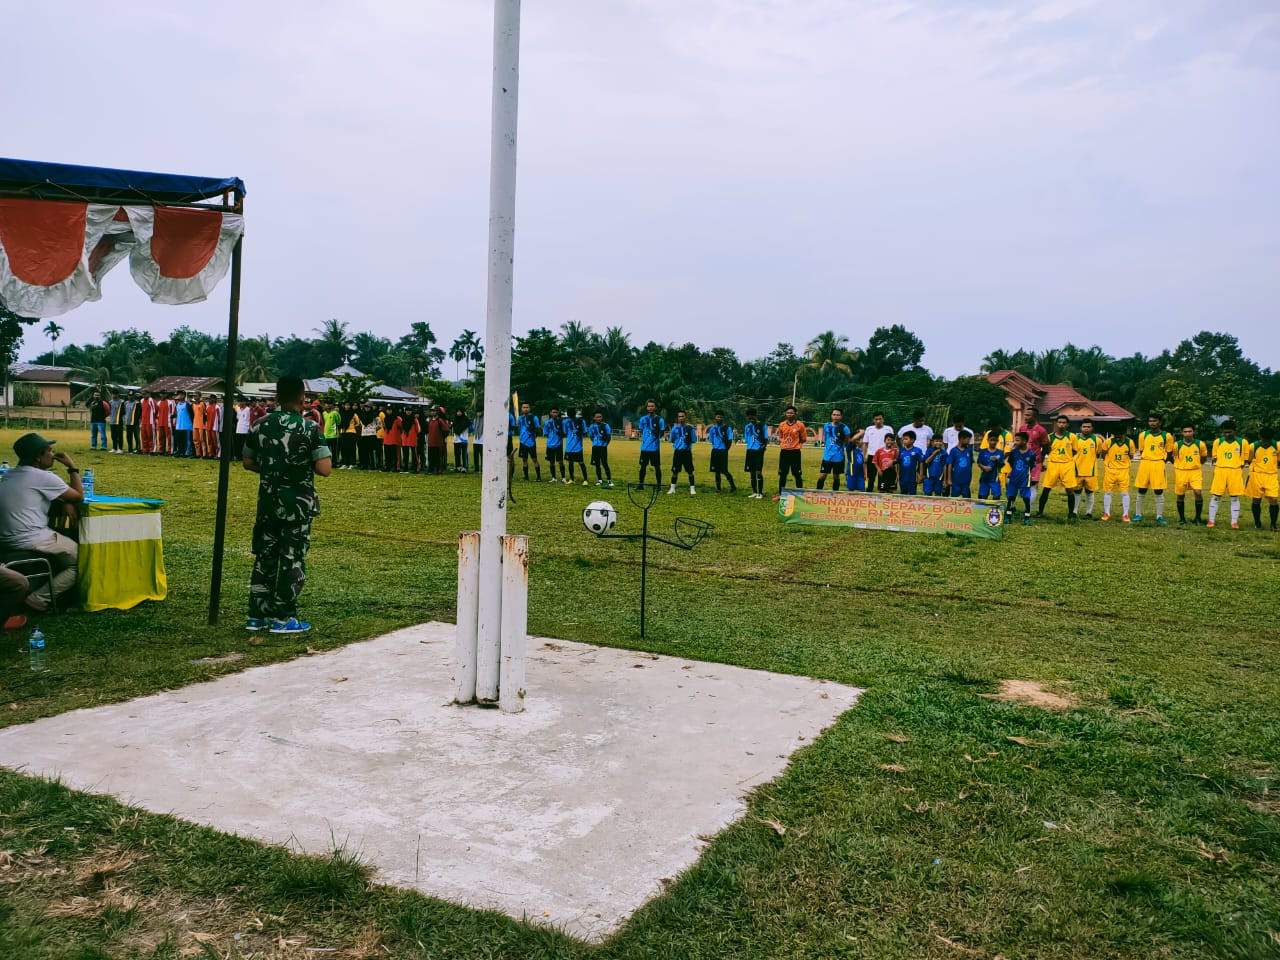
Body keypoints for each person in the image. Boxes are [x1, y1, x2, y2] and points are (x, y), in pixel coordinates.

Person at [242, 376, 331, 634]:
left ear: (276, 397)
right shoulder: (310, 428)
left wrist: (272, 471)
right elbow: (324, 469)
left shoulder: (260, 425)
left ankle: (256, 617)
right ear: (302, 400)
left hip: (268, 503)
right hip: (298, 505)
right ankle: (284, 618)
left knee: (265, 556)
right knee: (292, 559)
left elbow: (247, 461)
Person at [0, 433, 84, 605]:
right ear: (38, 457)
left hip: (7, 539)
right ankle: (38, 599)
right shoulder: (43, 477)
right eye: (49, 451)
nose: (53, 455)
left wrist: (65, 501)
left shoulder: (9, 474)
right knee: (83, 560)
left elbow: (32, 496)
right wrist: (72, 467)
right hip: (30, 538)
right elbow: (79, 496)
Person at [1206, 420, 1251, 529]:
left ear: (1235, 431)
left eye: (1229, 432)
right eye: (1225, 432)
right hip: (1220, 470)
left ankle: (1234, 522)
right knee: (1216, 496)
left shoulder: (1243, 442)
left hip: (1235, 471)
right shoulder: (1218, 442)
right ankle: (1211, 521)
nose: (1227, 434)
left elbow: (1245, 459)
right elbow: (1215, 457)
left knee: (1234, 497)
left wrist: (1235, 466)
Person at [1036, 416, 1081, 520]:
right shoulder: (1049, 437)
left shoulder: (1072, 437)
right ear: (1056, 423)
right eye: (1059, 422)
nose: (1061, 425)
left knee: (1070, 489)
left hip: (1067, 464)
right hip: (1053, 464)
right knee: (1046, 488)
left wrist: (1065, 457)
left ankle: (1071, 514)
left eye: (1064, 423)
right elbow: (1045, 451)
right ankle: (1040, 512)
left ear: (1067, 424)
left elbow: (1074, 451)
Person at [1134, 413, 1173, 525]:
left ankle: (1159, 516)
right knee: (1141, 489)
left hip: (1158, 464)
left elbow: (1169, 452)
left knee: (1158, 490)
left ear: (1160, 422)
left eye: (1155, 421)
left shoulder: (1167, 436)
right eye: (1150, 421)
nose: (1152, 423)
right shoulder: (1143, 435)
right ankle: (1138, 514)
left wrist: (1160, 461)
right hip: (1145, 463)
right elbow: (1142, 450)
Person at [1172, 425, 1208, 525]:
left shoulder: (1200, 444)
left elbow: (1204, 458)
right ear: (1182, 432)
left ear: (1194, 432)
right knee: (1180, 495)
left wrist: (1196, 464)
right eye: (1185, 431)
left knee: (1197, 492)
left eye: (1190, 431)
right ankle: (1182, 519)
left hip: (1195, 471)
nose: (1187, 433)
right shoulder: (1177, 445)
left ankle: (1197, 518)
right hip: (1181, 471)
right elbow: (1174, 457)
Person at [1099, 423, 1136, 522]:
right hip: (1110, 470)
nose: (1118, 438)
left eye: (1120, 436)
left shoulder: (1130, 442)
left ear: (1124, 434)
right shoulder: (1108, 442)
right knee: (1108, 492)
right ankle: (1107, 513)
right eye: (1116, 436)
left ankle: (1125, 514)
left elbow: (1131, 456)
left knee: (1124, 493)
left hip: (1124, 470)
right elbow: (1103, 454)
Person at [1246, 427, 1278, 531]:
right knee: (1256, 499)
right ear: (1260, 436)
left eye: (1268, 440)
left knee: (1273, 499)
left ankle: (1273, 525)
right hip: (1257, 475)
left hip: (1271, 475)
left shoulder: (1277, 446)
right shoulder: (1253, 446)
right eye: (1264, 439)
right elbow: (1249, 460)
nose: (1266, 442)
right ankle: (1257, 523)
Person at [774, 405, 806, 499]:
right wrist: (785, 444)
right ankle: (780, 494)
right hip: (784, 452)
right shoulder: (782, 425)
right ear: (785, 414)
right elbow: (780, 436)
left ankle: (800, 494)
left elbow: (803, 438)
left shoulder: (800, 425)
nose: (789, 414)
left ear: (795, 414)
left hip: (795, 452)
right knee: (783, 474)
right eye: (788, 412)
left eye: (791, 413)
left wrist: (796, 445)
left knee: (797, 473)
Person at [1005, 432, 1037, 525]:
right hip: (1014, 478)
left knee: (1026, 498)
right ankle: (1008, 516)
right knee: (1011, 497)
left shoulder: (1031, 454)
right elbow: (1011, 462)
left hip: (1025, 479)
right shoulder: (1014, 452)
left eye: (1017, 440)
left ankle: (1027, 517)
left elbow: (1032, 465)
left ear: (1024, 441)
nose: (1015, 442)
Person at [1073, 419, 1102, 519]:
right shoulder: (1074, 438)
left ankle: (1088, 512)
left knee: (1090, 492)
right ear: (1080, 428)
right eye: (1084, 427)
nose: (1086, 429)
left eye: (1088, 427)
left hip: (1091, 471)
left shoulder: (1097, 440)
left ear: (1092, 428)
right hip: (1077, 470)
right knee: (1076, 491)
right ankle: (1074, 511)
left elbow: (1097, 454)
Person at [815, 408, 850, 491]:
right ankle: (817, 493)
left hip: (838, 457)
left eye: (838, 415)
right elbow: (826, 438)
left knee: (836, 476)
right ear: (831, 416)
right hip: (827, 456)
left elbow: (847, 441)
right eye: (834, 414)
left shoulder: (844, 428)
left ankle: (835, 495)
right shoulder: (826, 426)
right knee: (823, 475)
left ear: (841, 416)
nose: (836, 416)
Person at [666, 410, 697, 495]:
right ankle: (672, 489)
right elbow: (672, 439)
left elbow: (694, 440)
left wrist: (687, 441)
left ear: (685, 417)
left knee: (690, 471)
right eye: (679, 416)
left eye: (682, 416)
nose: (681, 418)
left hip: (687, 451)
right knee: (675, 471)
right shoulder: (675, 428)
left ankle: (692, 489)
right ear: (677, 418)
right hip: (678, 452)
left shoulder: (690, 428)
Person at [861, 412, 894, 491]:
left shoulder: (888, 429)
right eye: (876, 419)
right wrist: (864, 455)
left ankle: (882, 491)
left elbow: (892, 443)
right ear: (873, 420)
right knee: (870, 476)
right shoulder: (869, 429)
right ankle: (869, 491)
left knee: (883, 476)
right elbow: (865, 443)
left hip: (884, 457)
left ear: (883, 419)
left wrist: (891, 457)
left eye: (880, 419)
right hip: (872, 456)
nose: (878, 421)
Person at [706, 411, 736, 493]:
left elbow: (729, 440)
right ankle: (718, 488)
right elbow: (711, 440)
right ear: (715, 418)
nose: (719, 418)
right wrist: (716, 446)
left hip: (723, 451)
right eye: (718, 417)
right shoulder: (712, 429)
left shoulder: (727, 428)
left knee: (724, 470)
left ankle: (733, 486)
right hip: (715, 451)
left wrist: (726, 449)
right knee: (716, 471)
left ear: (723, 418)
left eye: (721, 417)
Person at [742, 409, 768, 499]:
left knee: (758, 472)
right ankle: (754, 491)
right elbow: (746, 438)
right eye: (749, 418)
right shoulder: (747, 427)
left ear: (755, 416)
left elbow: (765, 438)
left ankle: (760, 493)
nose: (751, 420)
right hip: (750, 450)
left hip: (759, 450)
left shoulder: (762, 425)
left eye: (752, 418)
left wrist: (763, 447)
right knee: (752, 472)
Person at [637, 400, 663, 489]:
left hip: (654, 448)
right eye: (649, 406)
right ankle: (641, 485)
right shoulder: (643, 419)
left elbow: (662, 432)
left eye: (652, 406)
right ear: (646, 408)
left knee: (657, 467)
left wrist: (654, 438)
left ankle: (659, 485)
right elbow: (641, 430)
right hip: (644, 448)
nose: (650, 408)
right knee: (642, 467)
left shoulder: (659, 419)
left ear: (655, 407)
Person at [1022, 409, 1049, 485]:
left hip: (1035, 460)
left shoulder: (1041, 430)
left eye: (1028, 415)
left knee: (1033, 483)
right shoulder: (1022, 428)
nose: (1025, 417)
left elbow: (1045, 446)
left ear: (1035, 417)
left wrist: (1041, 459)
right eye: (1025, 415)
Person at [517, 402, 542, 481]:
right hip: (522, 442)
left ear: (529, 408)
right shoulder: (520, 418)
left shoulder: (534, 417)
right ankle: (526, 476)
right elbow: (520, 429)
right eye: (524, 407)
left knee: (534, 459)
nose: (525, 409)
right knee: (524, 459)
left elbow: (538, 429)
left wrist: (533, 437)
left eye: (527, 407)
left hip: (531, 442)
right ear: (521, 409)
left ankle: (538, 477)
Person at [944, 430, 974, 497]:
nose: (969, 442)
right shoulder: (954, 451)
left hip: (966, 479)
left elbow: (971, 463)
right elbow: (949, 465)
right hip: (956, 479)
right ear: (962, 439)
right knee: (955, 497)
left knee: (966, 497)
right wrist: (949, 479)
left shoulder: (969, 451)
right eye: (968, 439)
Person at [976, 431, 1005, 500]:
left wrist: (997, 460)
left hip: (995, 478)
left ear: (997, 441)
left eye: (995, 440)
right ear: (988, 440)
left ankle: (994, 509)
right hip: (985, 478)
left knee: (996, 495)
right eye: (991, 440)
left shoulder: (1000, 452)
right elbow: (979, 463)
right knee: (983, 496)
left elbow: (1002, 465)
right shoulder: (983, 452)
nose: (993, 442)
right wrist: (984, 467)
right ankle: (983, 509)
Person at [589, 410, 613, 487]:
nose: (599, 418)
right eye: (597, 417)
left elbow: (609, 437)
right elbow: (591, 437)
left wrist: (604, 444)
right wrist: (596, 443)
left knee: (605, 463)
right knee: (597, 464)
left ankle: (609, 480)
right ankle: (599, 480)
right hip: (595, 447)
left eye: (600, 417)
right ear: (594, 418)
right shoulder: (592, 426)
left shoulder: (605, 425)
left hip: (603, 447)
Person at [562, 409, 586, 484]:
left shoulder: (581, 421)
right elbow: (565, 432)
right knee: (570, 462)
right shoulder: (566, 422)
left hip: (578, 446)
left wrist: (579, 433)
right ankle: (572, 479)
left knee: (581, 462)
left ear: (575, 413)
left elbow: (585, 432)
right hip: (569, 446)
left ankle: (585, 480)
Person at [897, 430, 924, 496]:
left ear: (912, 440)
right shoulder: (901, 450)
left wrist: (921, 474)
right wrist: (897, 474)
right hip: (902, 476)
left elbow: (921, 463)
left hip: (912, 476)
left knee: (912, 494)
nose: (904, 441)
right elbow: (898, 463)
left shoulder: (917, 450)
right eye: (903, 439)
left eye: (906, 439)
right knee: (903, 493)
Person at [543, 407, 566, 482]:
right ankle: (553, 478)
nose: (555, 414)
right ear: (550, 413)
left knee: (560, 461)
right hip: (550, 445)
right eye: (553, 412)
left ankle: (563, 478)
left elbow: (564, 433)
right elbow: (546, 434)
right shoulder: (547, 423)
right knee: (551, 462)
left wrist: (559, 433)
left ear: (558, 413)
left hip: (558, 444)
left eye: (556, 412)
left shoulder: (561, 422)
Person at [427, 407, 450, 475]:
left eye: (434, 411)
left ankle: (438, 470)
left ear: (437, 412)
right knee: (431, 457)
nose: (432, 412)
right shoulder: (430, 420)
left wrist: (442, 438)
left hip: (438, 443)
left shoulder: (440, 421)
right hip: (431, 442)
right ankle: (430, 470)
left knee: (438, 457)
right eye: (431, 411)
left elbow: (446, 430)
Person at [340, 403, 361, 470]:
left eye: (349, 405)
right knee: (344, 448)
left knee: (351, 448)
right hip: (343, 432)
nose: (347, 406)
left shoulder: (353, 414)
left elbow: (358, 423)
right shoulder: (341, 413)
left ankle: (352, 463)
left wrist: (352, 427)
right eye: (346, 405)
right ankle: (345, 463)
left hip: (351, 432)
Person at [173, 391, 193, 457]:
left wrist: (190, 423)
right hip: (179, 426)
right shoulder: (177, 404)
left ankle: (186, 453)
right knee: (179, 440)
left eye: (181, 395)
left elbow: (192, 414)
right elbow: (177, 414)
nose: (180, 396)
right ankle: (180, 452)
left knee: (187, 440)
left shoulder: (187, 405)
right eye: (179, 395)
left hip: (186, 426)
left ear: (184, 396)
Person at [382, 406, 402, 472]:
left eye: (390, 410)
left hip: (395, 439)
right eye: (387, 410)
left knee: (395, 455)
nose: (389, 411)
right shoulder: (385, 418)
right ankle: (388, 466)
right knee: (387, 454)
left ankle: (396, 467)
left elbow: (401, 427)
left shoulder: (397, 419)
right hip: (387, 439)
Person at [453, 408, 472, 473]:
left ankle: (465, 467)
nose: (458, 413)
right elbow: (453, 427)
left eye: (460, 411)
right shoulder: (455, 419)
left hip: (464, 439)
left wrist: (467, 432)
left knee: (464, 453)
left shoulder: (466, 419)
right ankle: (458, 467)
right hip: (456, 439)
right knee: (457, 454)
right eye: (457, 411)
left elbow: (471, 428)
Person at [140, 390, 157, 455]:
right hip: (143, 421)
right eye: (143, 394)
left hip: (150, 421)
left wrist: (153, 418)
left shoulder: (151, 400)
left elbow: (155, 410)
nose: (144, 396)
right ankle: (145, 450)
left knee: (151, 436)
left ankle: (152, 450)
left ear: (148, 394)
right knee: (144, 436)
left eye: (145, 394)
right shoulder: (141, 401)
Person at [471, 409, 484, 474]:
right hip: (475, 439)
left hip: (482, 440)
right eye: (477, 412)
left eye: (479, 412)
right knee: (475, 455)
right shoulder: (475, 419)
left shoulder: (485, 419)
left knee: (482, 455)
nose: (478, 413)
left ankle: (482, 468)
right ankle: (476, 468)